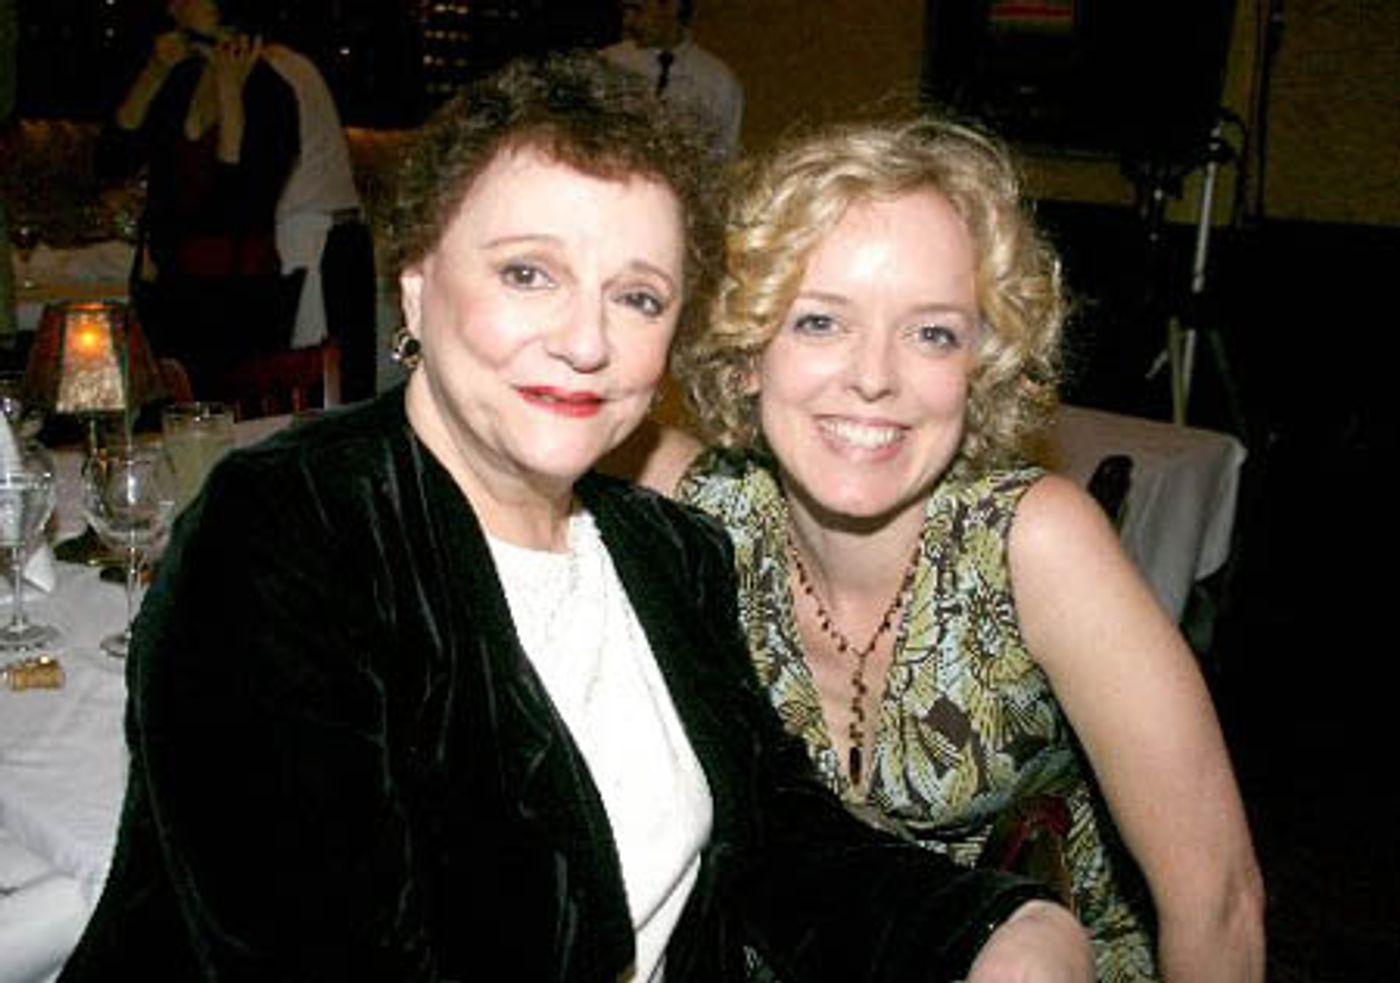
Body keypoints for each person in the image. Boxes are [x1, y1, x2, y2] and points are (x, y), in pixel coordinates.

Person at [58, 55, 1091, 982]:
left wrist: (998, 925)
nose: (585, 341)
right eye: (528, 273)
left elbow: (778, 836)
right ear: (415, 287)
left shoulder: (667, 550)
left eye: (637, 296)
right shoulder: (292, 531)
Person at [618, 119, 1266, 981]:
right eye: (820, 321)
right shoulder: (702, 509)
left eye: (932, 333)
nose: (874, 376)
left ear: (981, 366)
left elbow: (1217, 899)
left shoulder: (1035, 544)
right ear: (746, 355)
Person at [98, 0, 303, 394]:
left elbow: (236, 206)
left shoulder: (271, 92)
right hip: (164, 288)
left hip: (235, 300)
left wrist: (229, 96)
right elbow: (111, 162)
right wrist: (152, 75)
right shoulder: (179, 79)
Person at [603, 0, 743, 159]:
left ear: (671, 6)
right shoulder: (610, 63)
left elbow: (723, 157)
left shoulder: (719, 81)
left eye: (637, 10)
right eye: (624, 11)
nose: (627, 22)